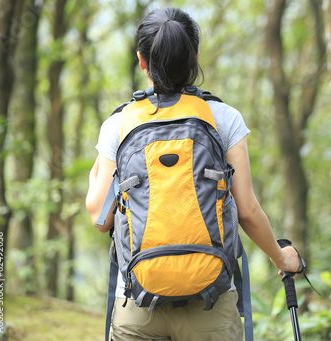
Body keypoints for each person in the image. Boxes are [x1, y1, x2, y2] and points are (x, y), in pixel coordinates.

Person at [86, 6, 301, 341]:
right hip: (210, 303)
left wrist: (95, 174)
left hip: (138, 303)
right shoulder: (224, 118)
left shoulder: (119, 123)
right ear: (194, 57)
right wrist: (282, 256)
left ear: (142, 61)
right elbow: (247, 210)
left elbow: (100, 218)